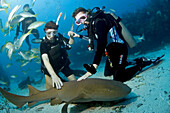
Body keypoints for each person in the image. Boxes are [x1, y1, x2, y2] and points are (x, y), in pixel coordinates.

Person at [68, 7, 154, 82]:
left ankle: (141, 63)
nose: (82, 22)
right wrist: (78, 36)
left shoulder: (99, 22)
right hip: (110, 51)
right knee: (107, 73)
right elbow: (94, 38)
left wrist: (94, 67)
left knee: (119, 78)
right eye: (78, 21)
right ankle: (129, 62)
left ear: (88, 14)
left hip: (119, 48)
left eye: (82, 18)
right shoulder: (92, 25)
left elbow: (102, 42)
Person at [40, 21, 76, 90]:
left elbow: (70, 43)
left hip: (61, 64)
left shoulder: (59, 38)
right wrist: (53, 75)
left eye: (54, 32)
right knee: (51, 89)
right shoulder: (43, 44)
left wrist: (71, 37)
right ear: (45, 31)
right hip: (49, 68)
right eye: (49, 33)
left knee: (75, 82)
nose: (52, 35)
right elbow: (45, 59)